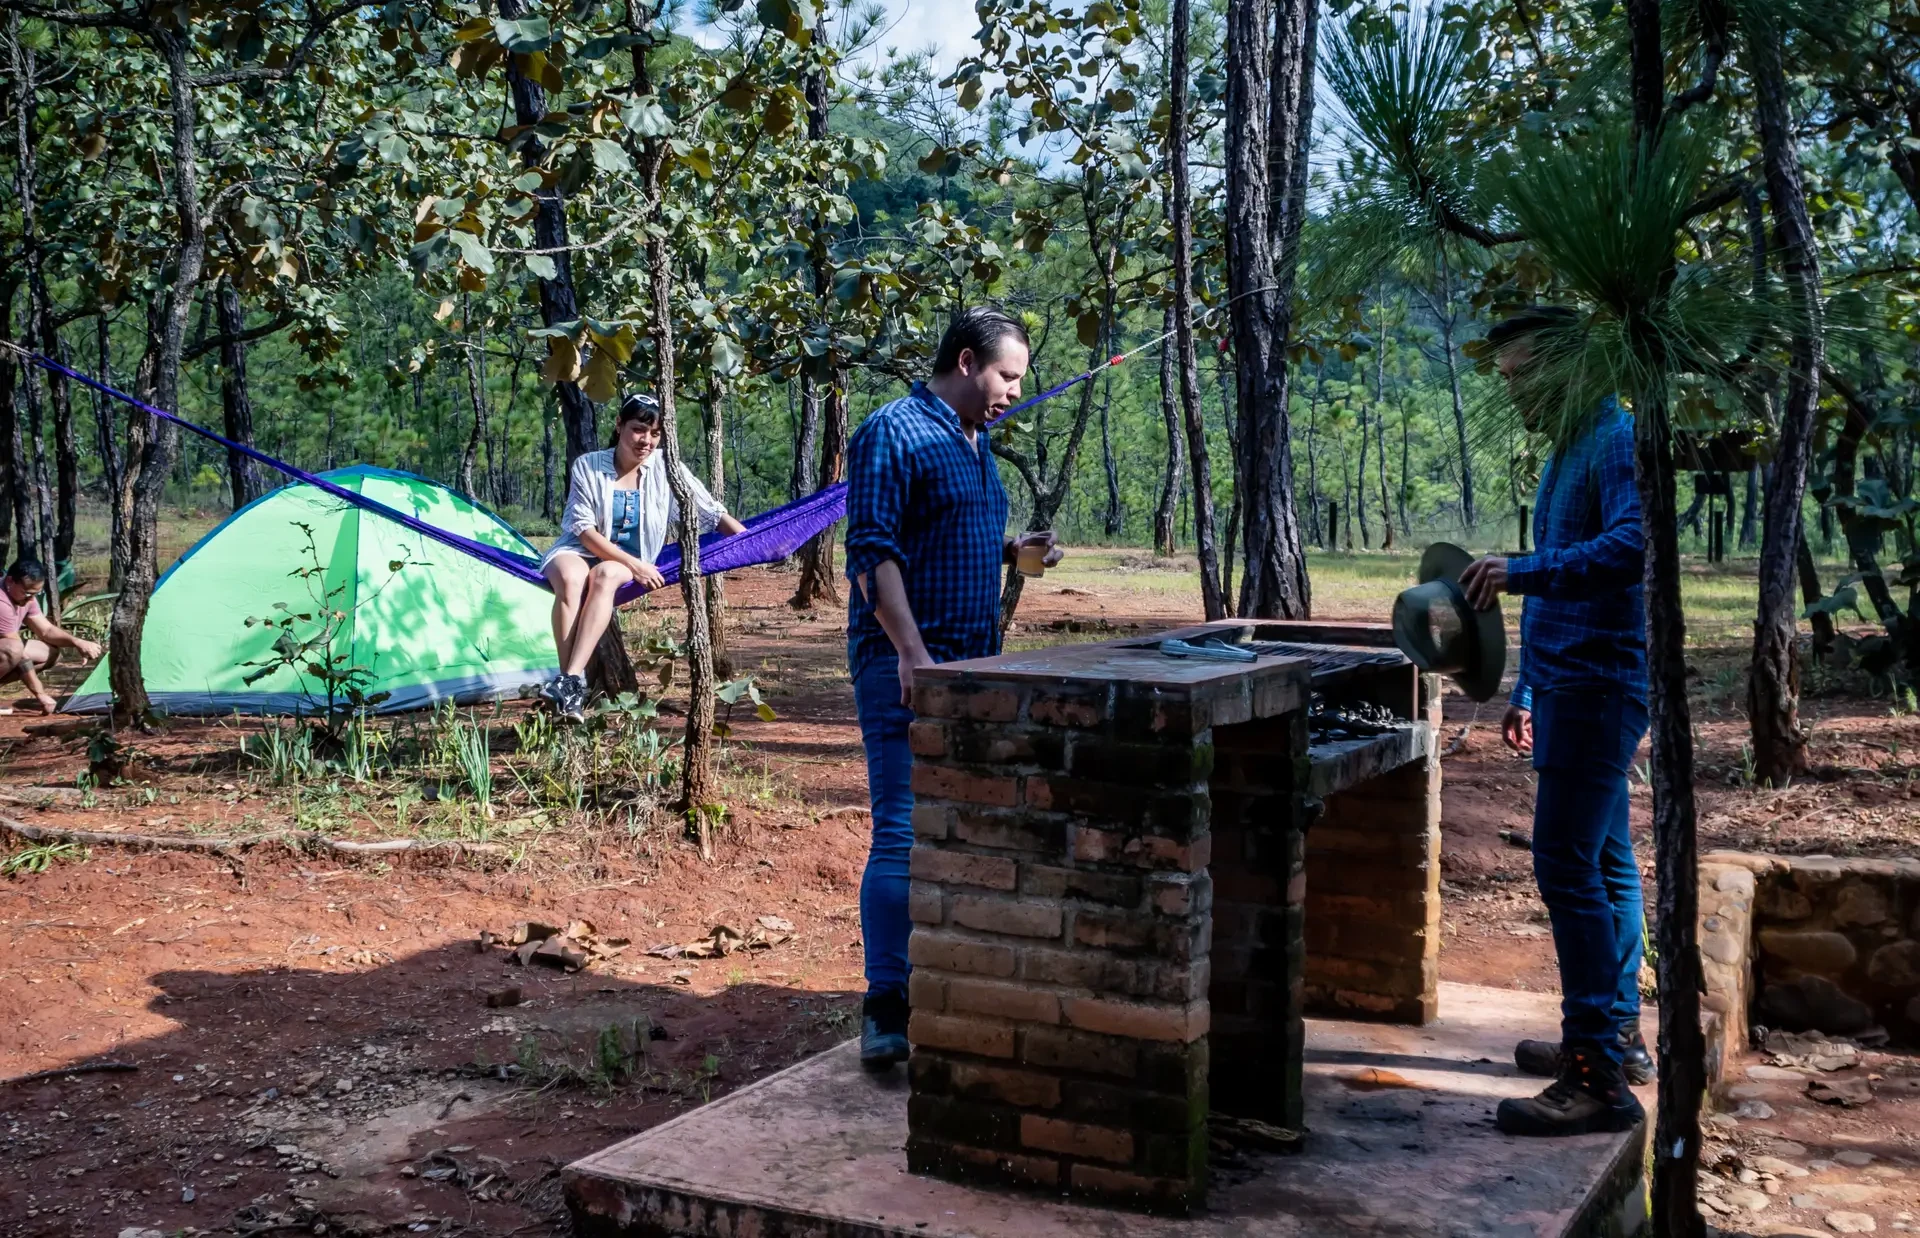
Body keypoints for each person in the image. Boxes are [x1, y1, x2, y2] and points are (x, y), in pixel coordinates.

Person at [842, 305, 1062, 1070]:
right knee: (902, 828)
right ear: (967, 362)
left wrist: (1014, 550)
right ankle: (886, 1005)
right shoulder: (892, 431)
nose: (1014, 391)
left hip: (972, 664)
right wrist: (911, 654)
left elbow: (941, 533)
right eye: (1008, 376)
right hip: (905, 665)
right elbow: (871, 552)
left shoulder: (975, 440)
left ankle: (945, 980)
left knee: (958, 824)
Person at [1457, 307, 1651, 1137]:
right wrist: (1528, 688)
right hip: (1569, 681)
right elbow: (1567, 579)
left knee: (1567, 866)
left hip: (1599, 685)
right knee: (1605, 860)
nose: (1515, 393)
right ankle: (1615, 1039)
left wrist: (1524, 571)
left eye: (1523, 375)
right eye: (1506, 379)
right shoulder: (1573, 446)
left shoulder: (1615, 438)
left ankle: (1595, 1076)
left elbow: (1634, 547)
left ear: (1571, 365)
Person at [540, 393, 745, 722]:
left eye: (655, 433)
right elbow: (583, 530)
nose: (646, 440)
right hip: (580, 548)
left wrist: (751, 541)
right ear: (619, 425)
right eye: (638, 429)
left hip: (626, 561)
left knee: (605, 575)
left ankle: (569, 682)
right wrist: (636, 567)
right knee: (569, 577)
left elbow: (711, 512)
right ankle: (571, 685)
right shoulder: (589, 465)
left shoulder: (666, 467)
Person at [0, 559, 103, 715]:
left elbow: (46, 630)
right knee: (13, 649)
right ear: (10, 581)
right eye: (27, 593)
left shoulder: (25, 598)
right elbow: (20, 656)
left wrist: (78, 642)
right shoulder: (2, 602)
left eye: (35, 594)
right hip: (9, 646)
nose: (30, 599)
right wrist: (41, 694)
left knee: (49, 653)